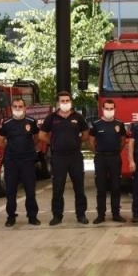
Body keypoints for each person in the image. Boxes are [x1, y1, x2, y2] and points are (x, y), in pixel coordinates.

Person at [40, 91, 89, 225]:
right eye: (62, 101)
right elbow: (42, 135)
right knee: (58, 188)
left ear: (71, 102)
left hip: (75, 157)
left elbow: (85, 134)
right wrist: (54, 142)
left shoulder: (78, 117)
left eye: (67, 100)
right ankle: (57, 216)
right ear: (58, 103)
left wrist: (77, 141)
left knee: (79, 187)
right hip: (58, 157)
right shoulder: (51, 118)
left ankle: (81, 215)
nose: (65, 103)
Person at [0, 97, 40, 227]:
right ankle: (11, 216)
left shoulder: (31, 121)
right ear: (11, 108)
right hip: (11, 162)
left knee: (30, 190)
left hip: (27, 161)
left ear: (25, 108)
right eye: (15, 106)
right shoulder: (6, 123)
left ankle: (32, 216)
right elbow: (0, 140)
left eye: (20, 106)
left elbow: (37, 138)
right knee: (11, 191)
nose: (18, 109)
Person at [89, 99, 128, 224]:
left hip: (115, 158)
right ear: (102, 109)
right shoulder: (96, 124)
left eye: (111, 109)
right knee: (101, 187)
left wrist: (116, 151)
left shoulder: (119, 124)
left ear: (114, 109)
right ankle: (101, 215)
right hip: (100, 158)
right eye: (107, 108)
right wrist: (97, 152)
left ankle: (116, 214)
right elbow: (91, 141)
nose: (109, 111)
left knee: (116, 187)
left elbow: (123, 140)